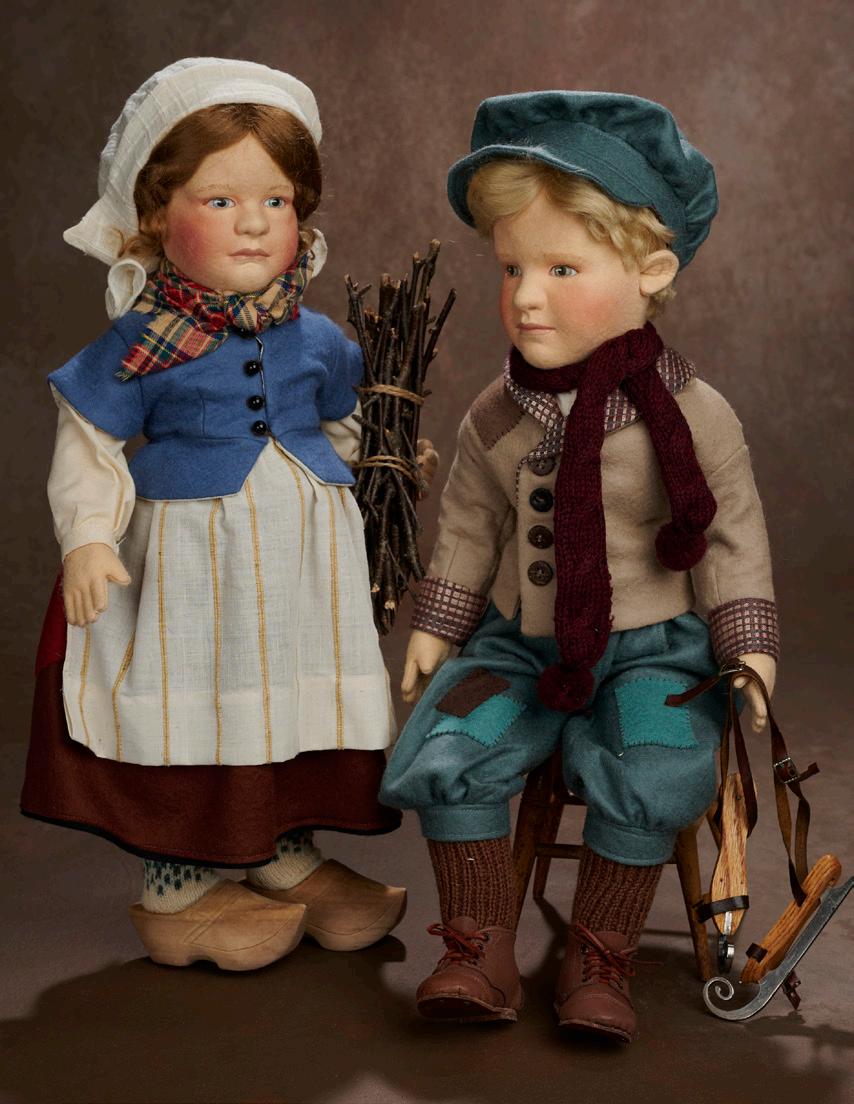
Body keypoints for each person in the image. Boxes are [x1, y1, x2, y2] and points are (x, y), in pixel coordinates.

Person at [380, 91, 778, 1041]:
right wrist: (438, 625)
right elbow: (470, 523)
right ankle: (477, 947)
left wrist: (747, 645)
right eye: (513, 267)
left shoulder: (692, 415)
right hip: (522, 644)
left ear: (651, 272)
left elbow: (731, 534)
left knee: (655, 762)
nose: (526, 296)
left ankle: (602, 959)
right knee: (450, 748)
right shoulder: (498, 413)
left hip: (653, 647)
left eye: (563, 268)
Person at [22, 57, 436, 971]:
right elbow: (89, 441)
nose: (253, 222)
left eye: (275, 201)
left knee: (287, 697)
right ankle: (180, 880)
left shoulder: (317, 336)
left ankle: (283, 852)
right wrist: (88, 539)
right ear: (153, 217)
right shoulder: (142, 339)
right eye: (220, 201)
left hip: (303, 564)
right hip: (191, 563)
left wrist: (390, 461)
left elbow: (349, 420)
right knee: (199, 700)